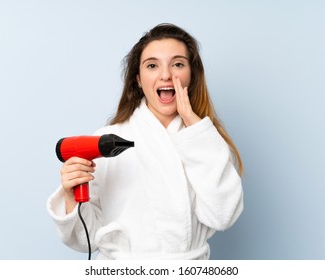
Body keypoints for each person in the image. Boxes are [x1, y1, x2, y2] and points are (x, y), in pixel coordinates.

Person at [47, 23, 244, 260]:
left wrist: (195, 126)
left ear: (191, 76)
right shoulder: (105, 141)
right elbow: (83, 240)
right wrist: (71, 199)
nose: (166, 75)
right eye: (152, 65)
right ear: (138, 79)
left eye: (178, 64)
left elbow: (222, 216)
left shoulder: (206, 142)